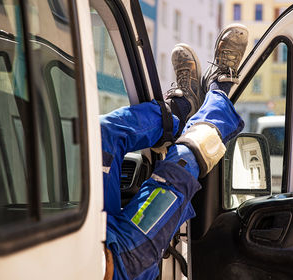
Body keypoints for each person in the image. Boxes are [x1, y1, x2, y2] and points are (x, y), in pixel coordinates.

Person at [100, 24, 249, 280]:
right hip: (120, 262)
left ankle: (180, 111)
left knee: (101, 132)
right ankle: (218, 92)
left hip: (90, 235)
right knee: (181, 163)